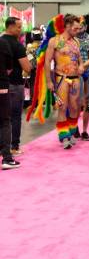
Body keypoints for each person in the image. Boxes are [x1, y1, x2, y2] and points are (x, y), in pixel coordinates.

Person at [44, 14, 84, 149]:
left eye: (79, 28)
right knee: (63, 107)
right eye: (76, 28)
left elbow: (80, 59)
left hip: (76, 79)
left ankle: (72, 132)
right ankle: (64, 136)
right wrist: (49, 81)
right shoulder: (55, 41)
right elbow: (47, 61)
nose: (78, 31)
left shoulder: (76, 42)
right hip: (61, 78)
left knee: (74, 107)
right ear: (67, 26)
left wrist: (81, 66)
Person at [1, 17, 32, 154]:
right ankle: (14, 147)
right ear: (11, 27)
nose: (21, 30)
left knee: (2, 117)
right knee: (14, 117)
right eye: (19, 27)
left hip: (2, 84)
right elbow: (27, 67)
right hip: (14, 84)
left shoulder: (1, 41)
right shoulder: (17, 45)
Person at [0, 35, 20, 169]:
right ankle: (7, 158)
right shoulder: (3, 43)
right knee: (4, 121)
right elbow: (9, 68)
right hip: (1, 86)